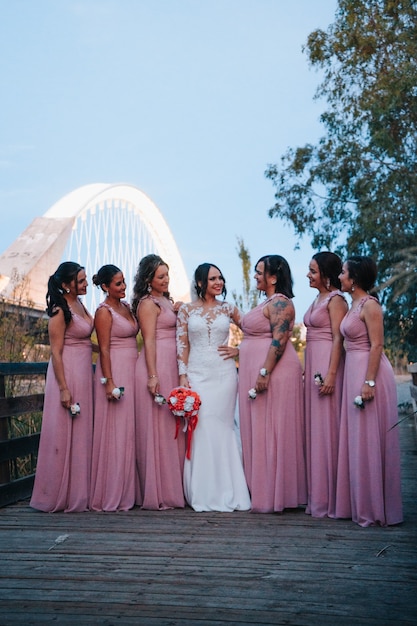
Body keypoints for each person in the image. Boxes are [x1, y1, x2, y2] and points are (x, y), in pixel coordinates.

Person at [176, 262, 251, 512]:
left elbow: (255, 332)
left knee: (223, 429)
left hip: (224, 375)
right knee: (201, 428)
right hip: (197, 374)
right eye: (212, 279)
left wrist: (240, 349)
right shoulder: (186, 311)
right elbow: (183, 345)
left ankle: (230, 490)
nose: (218, 282)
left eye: (220, 278)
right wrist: (183, 377)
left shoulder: (229, 309)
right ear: (200, 283)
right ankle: (203, 491)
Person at [335, 256, 402, 527]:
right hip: (353, 369)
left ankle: (374, 508)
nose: (339, 276)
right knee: (358, 440)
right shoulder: (353, 306)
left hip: (368, 372)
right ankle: (360, 502)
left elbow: (377, 345)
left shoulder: (371, 305)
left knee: (369, 439)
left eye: (343, 272)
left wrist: (369, 382)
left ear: (354, 280)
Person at [236, 255, 306, 513]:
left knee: (273, 429)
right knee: (261, 428)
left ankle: (277, 493)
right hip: (259, 370)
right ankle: (263, 488)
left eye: (259, 272)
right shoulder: (266, 302)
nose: (255, 276)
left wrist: (264, 372)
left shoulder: (281, 303)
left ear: (273, 277)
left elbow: (280, 339)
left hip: (275, 372)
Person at [30, 262, 94, 512]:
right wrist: (64, 388)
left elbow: (84, 339)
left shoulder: (80, 304)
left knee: (81, 430)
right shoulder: (59, 310)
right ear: (66, 285)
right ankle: (59, 493)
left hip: (83, 370)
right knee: (63, 431)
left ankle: (79, 490)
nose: (85, 283)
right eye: (80, 280)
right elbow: (56, 352)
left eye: (85, 279)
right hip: (66, 372)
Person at [131, 254, 186, 510]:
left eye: (167, 275)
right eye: (160, 277)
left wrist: (179, 308)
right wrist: (153, 375)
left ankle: (176, 487)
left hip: (172, 365)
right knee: (158, 428)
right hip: (156, 366)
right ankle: (159, 491)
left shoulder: (165, 301)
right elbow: (149, 341)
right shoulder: (147, 303)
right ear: (148, 280)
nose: (166, 280)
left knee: (171, 426)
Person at [90, 264, 139, 512]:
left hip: (133, 370)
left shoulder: (127, 307)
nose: (123, 287)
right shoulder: (104, 312)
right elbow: (104, 348)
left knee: (130, 429)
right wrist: (109, 382)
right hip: (116, 370)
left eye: (124, 282)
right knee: (116, 430)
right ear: (105, 287)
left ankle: (131, 488)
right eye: (118, 284)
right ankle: (112, 491)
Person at [304, 252, 348, 518]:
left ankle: (331, 497)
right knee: (315, 430)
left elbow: (338, 339)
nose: (308, 275)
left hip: (327, 363)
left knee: (327, 429)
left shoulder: (336, 300)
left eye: (313, 271)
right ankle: (317, 495)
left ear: (326, 275)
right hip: (312, 362)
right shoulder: (317, 298)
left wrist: (331, 374)